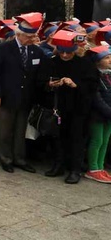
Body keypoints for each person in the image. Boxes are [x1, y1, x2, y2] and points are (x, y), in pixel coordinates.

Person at [36, 30, 97, 184]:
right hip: (57, 107)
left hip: (78, 108)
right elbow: (41, 82)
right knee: (58, 138)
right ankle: (59, 164)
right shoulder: (51, 62)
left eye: (68, 53)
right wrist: (50, 84)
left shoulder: (84, 64)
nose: (64, 56)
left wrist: (76, 84)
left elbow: (92, 85)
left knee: (76, 139)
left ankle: (75, 169)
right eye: (62, 52)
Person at [0, 13, 45, 173]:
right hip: (5, 96)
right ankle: (6, 158)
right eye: (29, 36)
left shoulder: (35, 51)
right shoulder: (3, 49)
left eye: (34, 36)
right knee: (4, 130)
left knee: (20, 131)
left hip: (25, 97)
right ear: (19, 35)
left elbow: (37, 73)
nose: (31, 39)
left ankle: (19, 158)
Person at [87, 45, 111, 182]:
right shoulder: (95, 76)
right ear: (97, 61)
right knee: (97, 140)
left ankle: (101, 167)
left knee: (105, 141)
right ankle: (93, 168)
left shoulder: (108, 74)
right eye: (106, 58)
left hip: (109, 114)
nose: (110, 60)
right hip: (98, 114)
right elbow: (97, 98)